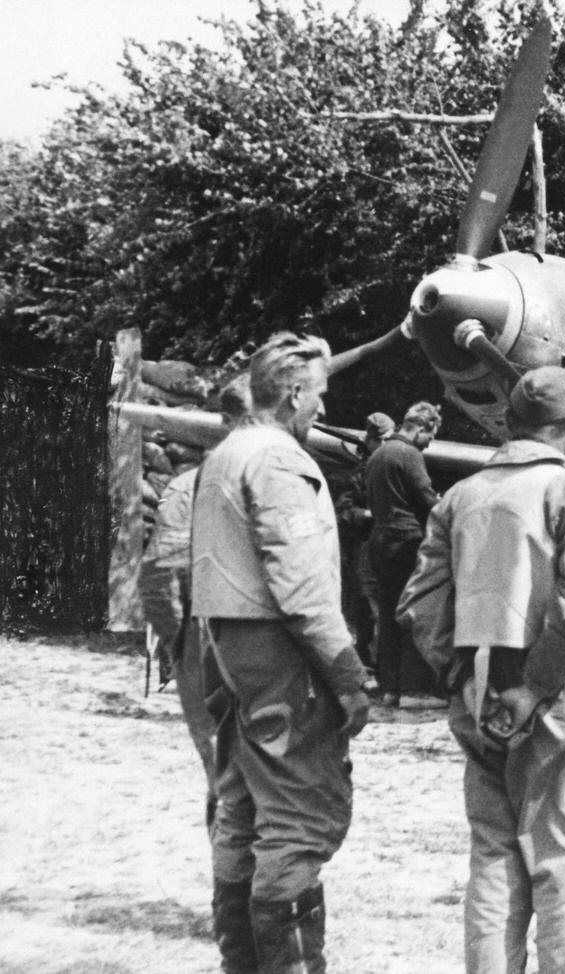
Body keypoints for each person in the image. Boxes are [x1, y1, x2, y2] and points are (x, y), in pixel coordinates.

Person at [398, 366, 565, 974]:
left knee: (493, 865)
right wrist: (535, 688)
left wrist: (461, 676)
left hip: (479, 684)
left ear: (509, 422)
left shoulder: (459, 496)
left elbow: (419, 603)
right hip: (561, 689)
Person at [190, 332, 371, 974]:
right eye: (319, 394)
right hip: (280, 653)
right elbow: (301, 586)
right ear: (295, 393)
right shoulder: (277, 461)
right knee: (299, 813)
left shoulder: (227, 453)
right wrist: (347, 675)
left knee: (243, 807)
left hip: (228, 649)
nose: (322, 407)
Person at [138, 374, 252, 831]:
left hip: (209, 638)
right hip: (229, 641)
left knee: (224, 766)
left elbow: (159, 574)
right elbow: (160, 573)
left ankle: (237, 891)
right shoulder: (272, 480)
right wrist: (182, 639)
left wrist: (179, 640)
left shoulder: (189, 485)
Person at [365, 400, 441, 707]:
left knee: (387, 614)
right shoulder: (409, 454)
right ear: (421, 428)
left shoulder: (377, 455)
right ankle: (415, 690)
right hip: (406, 542)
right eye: (431, 436)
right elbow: (426, 499)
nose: (429, 443)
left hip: (379, 541)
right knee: (416, 612)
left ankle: (389, 688)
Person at [336, 411, 396, 676]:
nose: (384, 446)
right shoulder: (356, 476)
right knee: (367, 610)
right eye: (379, 440)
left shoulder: (396, 467)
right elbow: (345, 512)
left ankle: (388, 668)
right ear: (369, 441)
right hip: (365, 547)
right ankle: (368, 665)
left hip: (392, 545)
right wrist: (372, 514)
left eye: (388, 440)